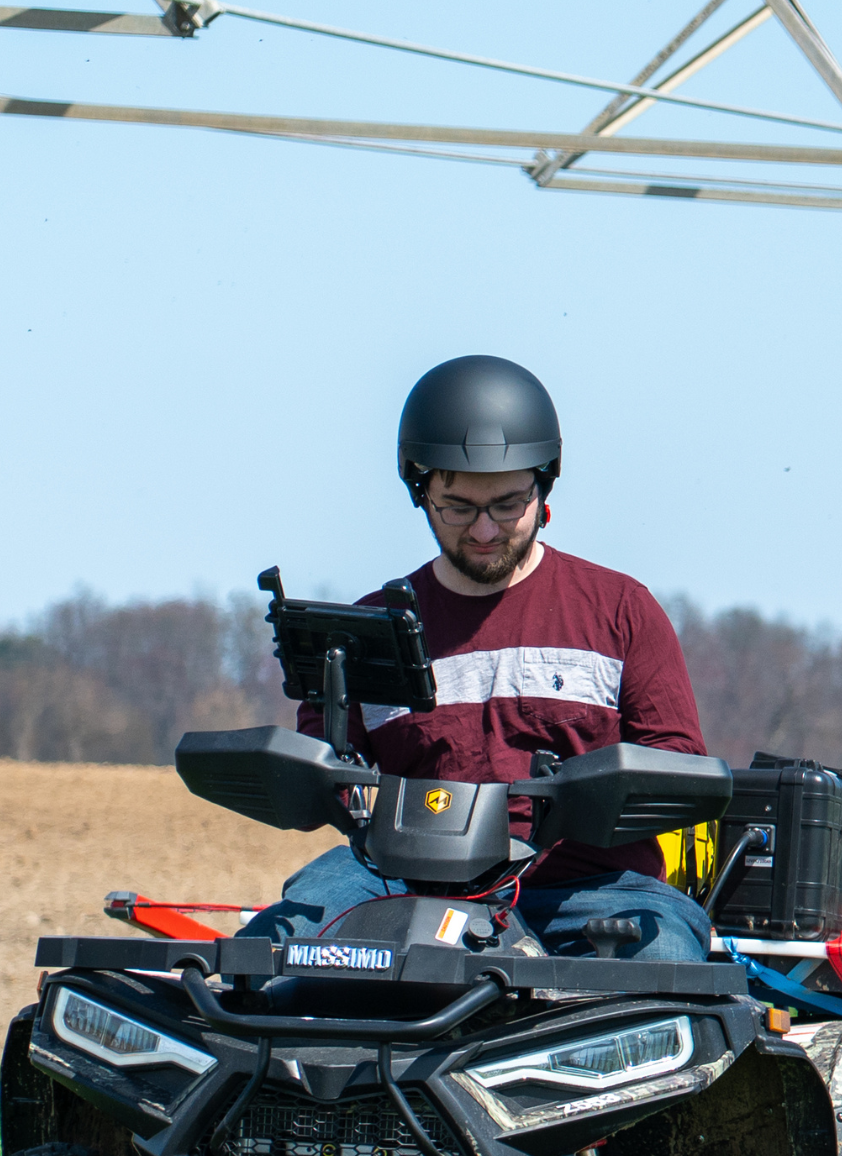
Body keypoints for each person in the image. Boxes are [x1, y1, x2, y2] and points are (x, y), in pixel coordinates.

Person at [240, 355, 725, 963]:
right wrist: (331, 788)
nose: (486, 531)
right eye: (459, 507)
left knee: (664, 960)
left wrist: (588, 798)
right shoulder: (365, 630)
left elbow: (677, 762)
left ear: (544, 483)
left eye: (506, 504)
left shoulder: (621, 611)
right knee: (269, 951)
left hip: (582, 889)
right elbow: (327, 767)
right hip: (398, 880)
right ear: (419, 489)